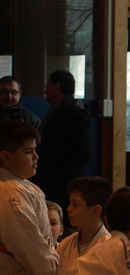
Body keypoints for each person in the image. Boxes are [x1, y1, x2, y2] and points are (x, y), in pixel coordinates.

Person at [0, 121, 57, 275]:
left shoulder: (23, 187)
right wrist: (47, 269)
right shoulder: (10, 191)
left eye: (35, 150)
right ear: (6, 157)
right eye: (27, 151)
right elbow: (25, 241)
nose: (35, 157)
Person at [35, 70, 92, 212]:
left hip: (62, 187)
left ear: (57, 86)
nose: (45, 91)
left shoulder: (74, 114)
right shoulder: (58, 111)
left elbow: (83, 153)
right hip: (52, 183)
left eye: (48, 86)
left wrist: (63, 179)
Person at [55, 176, 112, 275]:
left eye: (75, 205)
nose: (69, 209)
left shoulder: (109, 248)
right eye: (70, 203)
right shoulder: (64, 245)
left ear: (96, 210)